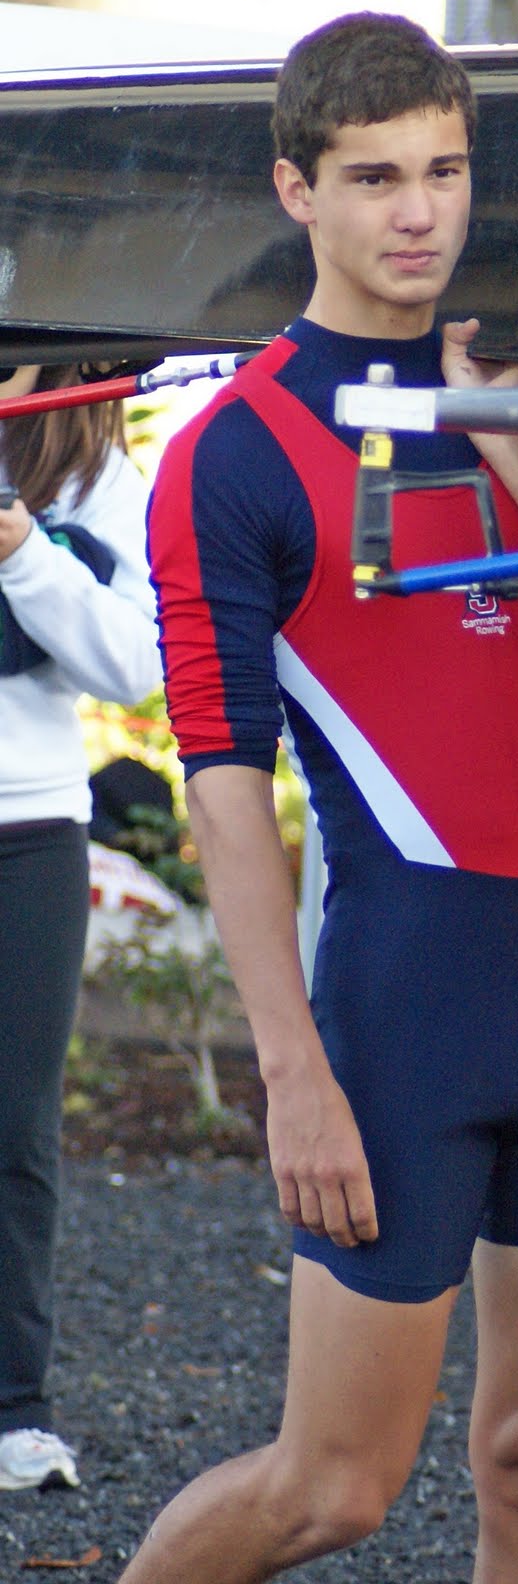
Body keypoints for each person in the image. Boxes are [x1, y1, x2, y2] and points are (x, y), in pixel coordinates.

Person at [117, 13, 518, 1584]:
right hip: (408, 1006)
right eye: (377, 176)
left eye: (447, 171)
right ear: (297, 192)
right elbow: (220, 782)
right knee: (331, 1488)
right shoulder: (233, 452)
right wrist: (292, 1067)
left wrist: (510, 422)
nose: (420, 212)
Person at [0, 361, 159, 1491]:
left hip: (26, 830)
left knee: (14, 1130)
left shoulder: (97, 470)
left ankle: (13, 1405)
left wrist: (21, 549)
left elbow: (135, 666)